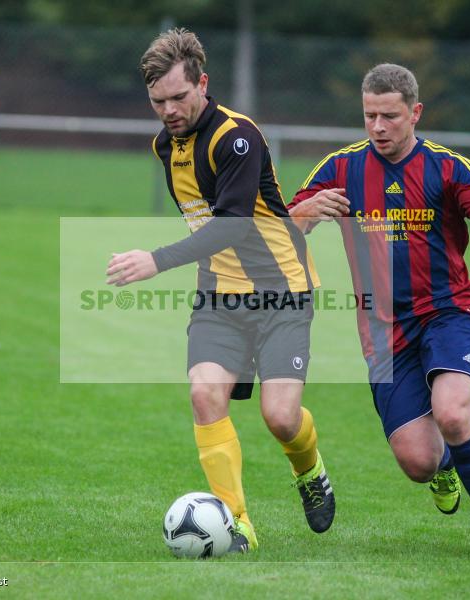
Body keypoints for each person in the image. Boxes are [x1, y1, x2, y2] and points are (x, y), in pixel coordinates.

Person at [106, 28, 335, 552]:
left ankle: (310, 469)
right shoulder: (164, 144)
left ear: (203, 83)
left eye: (178, 97)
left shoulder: (238, 137)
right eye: (157, 101)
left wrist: (155, 261)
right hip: (219, 296)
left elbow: (231, 225)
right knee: (204, 394)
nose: (168, 110)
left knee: (281, 418)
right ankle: (237, 525)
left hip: (281, 290)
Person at [289, 63, 470, 559]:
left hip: (448, 311)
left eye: (389, 116)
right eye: (369, 115)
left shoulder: (447, 166)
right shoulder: (343, 167)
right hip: (383, 330)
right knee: (418, 461)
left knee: (454, 415)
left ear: (415, 113)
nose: (377, 127)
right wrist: (304, 215)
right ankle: (443, 469)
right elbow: (281, 228)